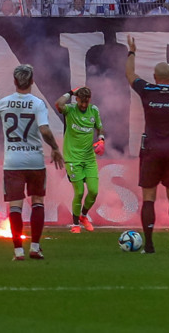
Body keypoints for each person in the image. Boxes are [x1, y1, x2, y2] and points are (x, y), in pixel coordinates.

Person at [0, 64, 63, 260]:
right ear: (32, 82)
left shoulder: (4, 103)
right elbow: (44, 130)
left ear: (14, 82)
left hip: (13, 163)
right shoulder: (37, 103)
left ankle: (18, 250)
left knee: (16, 207)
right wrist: (55, 148)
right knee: (37, 202)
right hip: (35, 161)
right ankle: (35, 247)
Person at [126, 37, 169, 253]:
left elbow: (130, 75)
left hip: (152, 149)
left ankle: (150, 244)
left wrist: (132, 52)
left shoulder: (148, 90)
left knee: (149, 198)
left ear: (154, 77)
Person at [54, 85, 105, 232]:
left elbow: (99, 127)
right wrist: (70, 92)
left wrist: (101, 139)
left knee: (94, 191)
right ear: (76, 99)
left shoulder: (94, 110)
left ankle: (83, 216)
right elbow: (58, 103)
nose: (83, 105)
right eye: (81, 101)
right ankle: (75, 224)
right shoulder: (69, 110)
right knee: (79, 192)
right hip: (72, 158)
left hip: (89, 158)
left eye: (86, 102)